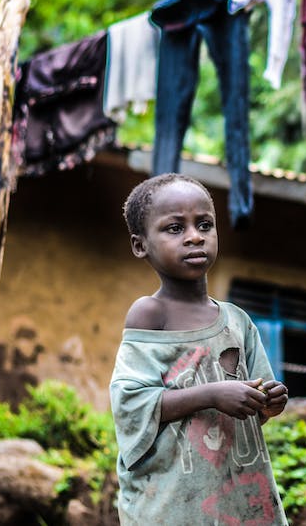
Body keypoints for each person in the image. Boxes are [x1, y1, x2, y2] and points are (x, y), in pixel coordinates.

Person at [109, 173, 289, 525]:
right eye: (175, 228)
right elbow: (130, 403)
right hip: (171, 502)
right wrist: (211, 394)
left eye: (205, 224)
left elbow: (257, 407)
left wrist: (269, 401)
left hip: (238, 497)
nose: (194, 236)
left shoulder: (237, 321)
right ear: (140, 245)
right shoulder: (150, 313)